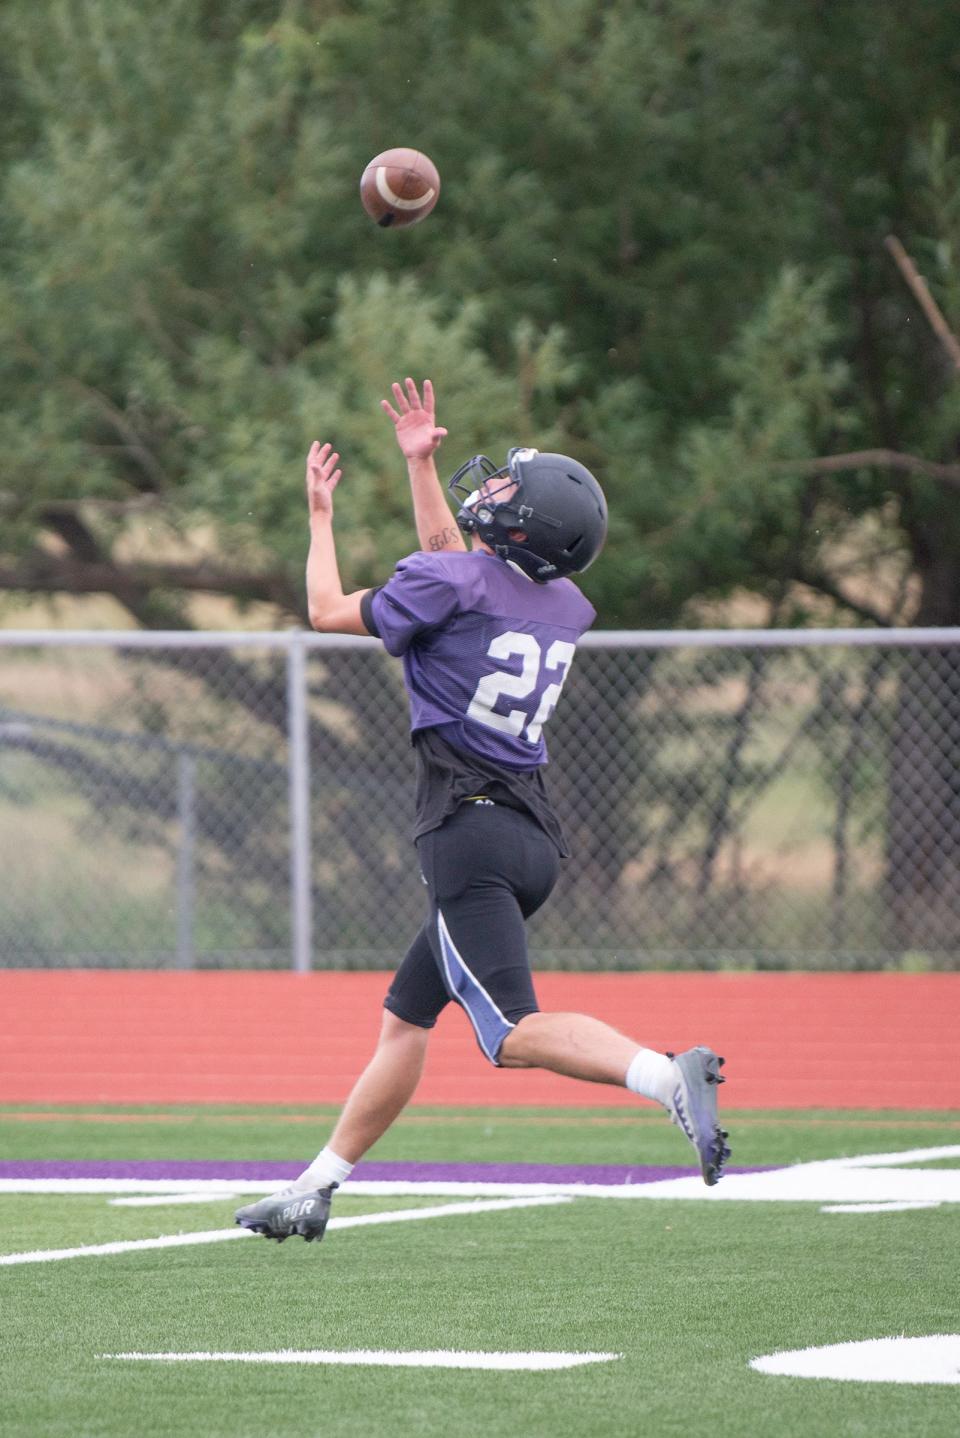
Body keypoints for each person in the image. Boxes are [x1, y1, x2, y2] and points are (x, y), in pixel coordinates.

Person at [236, 378, 729, 1243]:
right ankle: (314, 1187)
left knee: (510, 1032)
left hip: (467, 835)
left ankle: (663, 1075)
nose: (489, 491)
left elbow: (323, 609)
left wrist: (320, 518)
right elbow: (452, 569)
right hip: (529, 835)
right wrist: (420, 464)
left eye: (506, 490)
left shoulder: (454, 583)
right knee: (405, 1019)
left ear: (524, 528)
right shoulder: (561, 604)